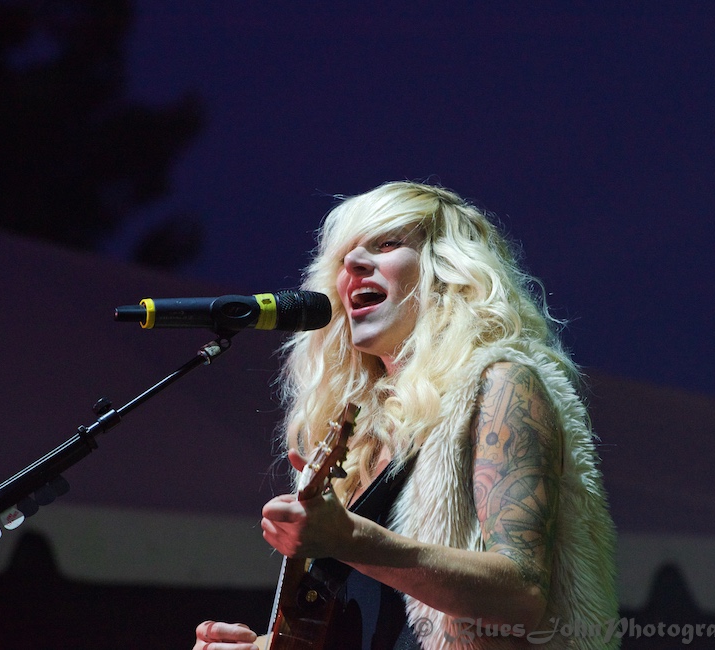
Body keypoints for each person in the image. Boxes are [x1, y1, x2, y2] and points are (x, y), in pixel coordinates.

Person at [193, 181, 617, 649]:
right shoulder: (356, 436)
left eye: (387, 244)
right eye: (345, 256)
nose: (352, 265)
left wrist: (351, 539)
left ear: (449, 270)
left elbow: (521, 594)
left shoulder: (500, 386)